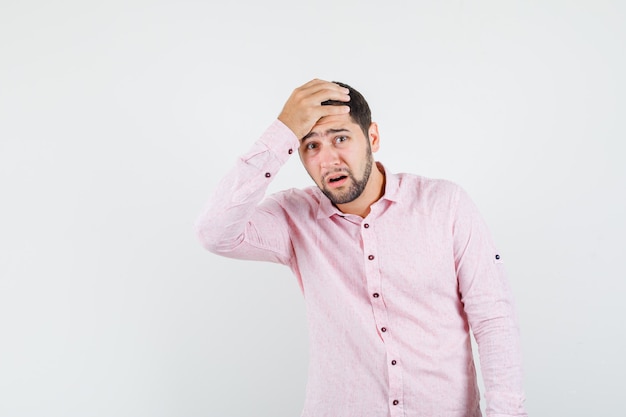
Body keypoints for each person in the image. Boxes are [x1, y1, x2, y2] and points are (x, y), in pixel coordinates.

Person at [195, 79, 527, 417]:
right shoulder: (293, 218)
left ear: (372, 137)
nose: (327, 160)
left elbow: (493, 318)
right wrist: (283, 131)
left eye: (341, 138)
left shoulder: (445, 205)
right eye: (310, 146)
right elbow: (214, 232)